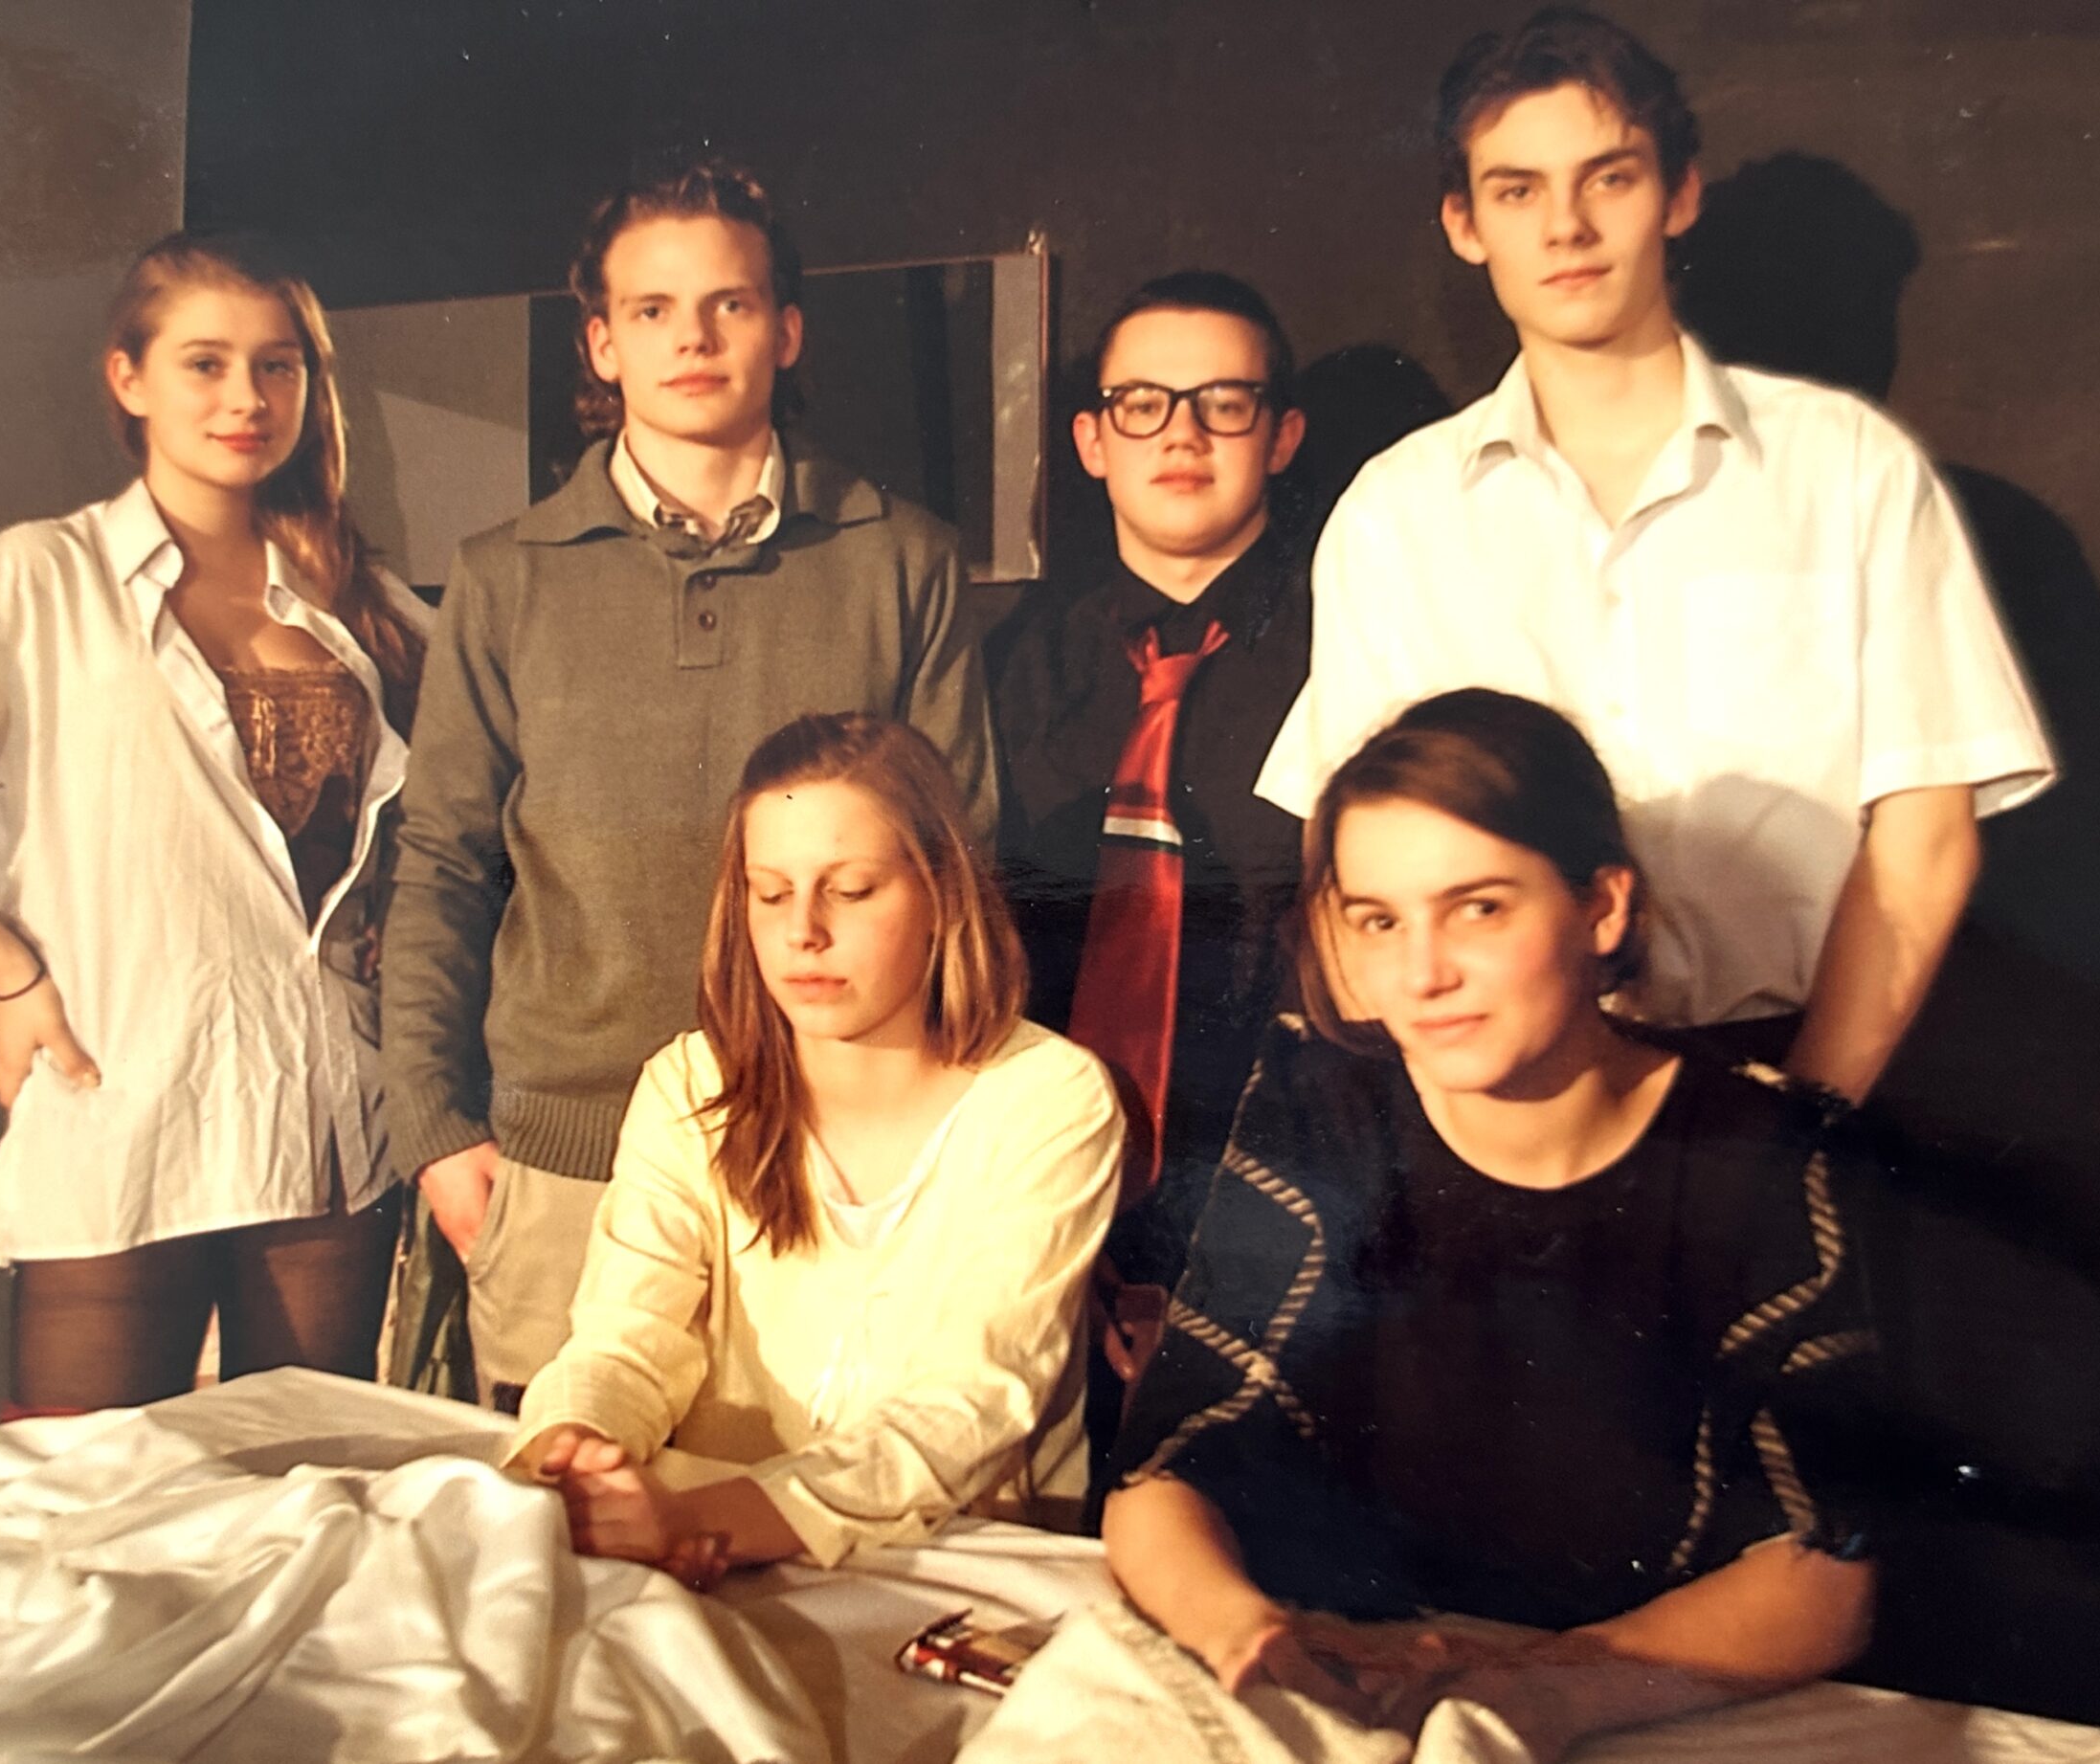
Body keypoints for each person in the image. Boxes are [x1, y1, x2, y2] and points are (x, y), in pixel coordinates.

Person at [1255, 6, 2053, 1103]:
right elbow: (1348, 853)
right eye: (1517, 190)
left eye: (1609, 178)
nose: (1565, 227)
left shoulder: (1847, 467)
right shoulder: (1398, 510)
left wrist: (1801, 1121)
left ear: (1678, 195)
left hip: (1784, 1063)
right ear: (1464, 223)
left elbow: (1925, 834)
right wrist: (1434, 1116)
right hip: (1487, 1092)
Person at [1105, 688, 1881, 1758]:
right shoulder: (1317, 1104)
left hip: (1645, 1701)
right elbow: (1157, 1477)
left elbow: (1827, 1572)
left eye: (1478, 908)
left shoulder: (1766, 1150)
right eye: (1380, 920)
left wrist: (1541, 1690)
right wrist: (1249, 1638)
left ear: (1602, 908)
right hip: (1352, 1670)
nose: (1423, 973)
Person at [0, 234, 427, 1413]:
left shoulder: (360, 602)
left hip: (323, 1112)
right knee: (79, 1491)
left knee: (305, 1488)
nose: (246, 398)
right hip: (122, 1091)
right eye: (205, 363)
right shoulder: (26, 583)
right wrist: (8, 969)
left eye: (276, 366)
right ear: (129, 377)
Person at [381, 162, 996, 1413]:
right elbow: (441, 860)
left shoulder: (904, 560)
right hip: (568, 1163)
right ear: (602, 344)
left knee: (809, 1501)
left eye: (730, 304)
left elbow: (962, 868)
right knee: (567, 1501)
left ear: (787, 330)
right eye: (653, 310)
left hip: (835, 1150)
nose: (693, 338)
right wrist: (436, 1128)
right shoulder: (504, 576)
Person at [501, 713, 1120, 1577]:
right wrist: (579, 1447)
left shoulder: (1048, 1098)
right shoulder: (689, 1084)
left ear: (942, 893)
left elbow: (966, 1403)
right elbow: (625, 1335)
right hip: (708, 1556)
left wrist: (691, 1518)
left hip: (947, 1563)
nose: (804, 931)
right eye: (770, 892)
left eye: (852, 890)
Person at [992, 273, 1310, 1363]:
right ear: (1091, 440)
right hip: (1046, 1193)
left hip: (1273, 1188)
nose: (1182, 434)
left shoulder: (1351, 646)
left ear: (1281, 435)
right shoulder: (1012, 664)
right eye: (1142, 403)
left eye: (1225, 401)